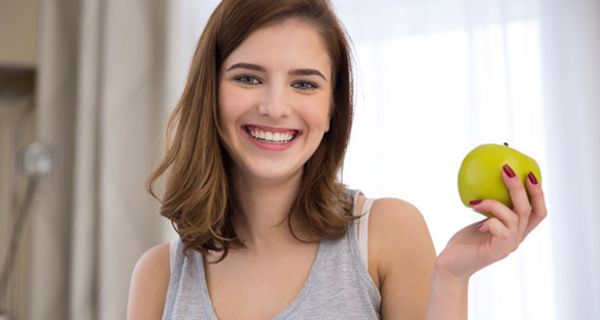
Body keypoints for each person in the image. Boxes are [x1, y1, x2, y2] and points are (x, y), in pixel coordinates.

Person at [126, 0, 548, 319]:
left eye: (304, 84)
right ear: (211, 94)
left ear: (331, 109)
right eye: (248, 78)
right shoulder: (160, 277)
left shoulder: (386, 235)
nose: (275, 107)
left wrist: (454, 278)